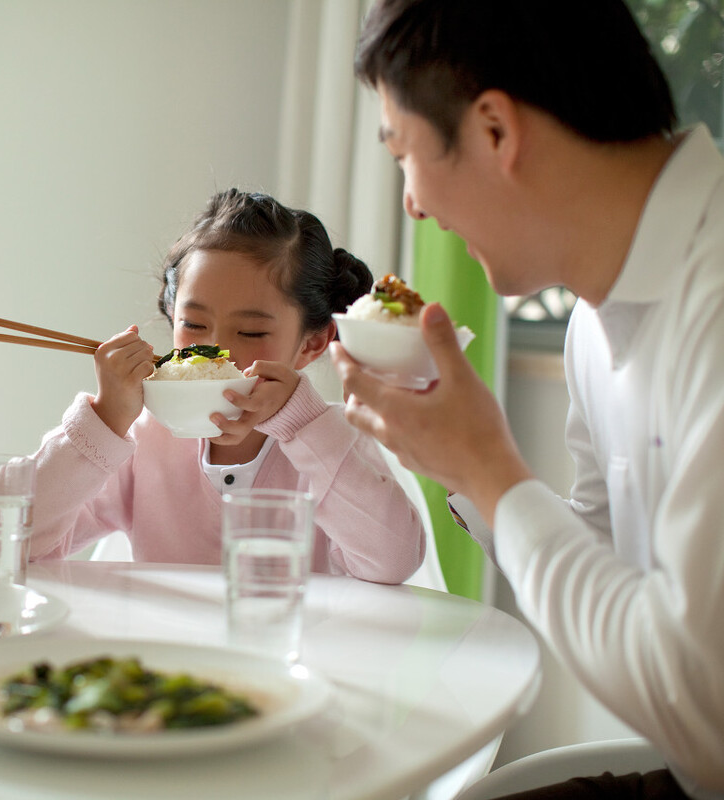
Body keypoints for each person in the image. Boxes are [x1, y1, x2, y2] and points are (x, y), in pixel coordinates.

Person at [331, 0, 724, 796]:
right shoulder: (593, 320)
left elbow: (703, 707)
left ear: (495, 132)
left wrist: (487, 467)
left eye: (403, 151)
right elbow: (604, 565)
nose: (411, 203)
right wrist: (456, 461)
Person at [28, 189, 425, 581]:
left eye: (251, 332)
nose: (218, 351)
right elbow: (17, 539)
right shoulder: (142, 442)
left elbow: (394, 562)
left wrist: (302, 425)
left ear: (312, 342)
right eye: (194, 326)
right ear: (171, 315)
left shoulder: (332, 443)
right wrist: (103, 422)